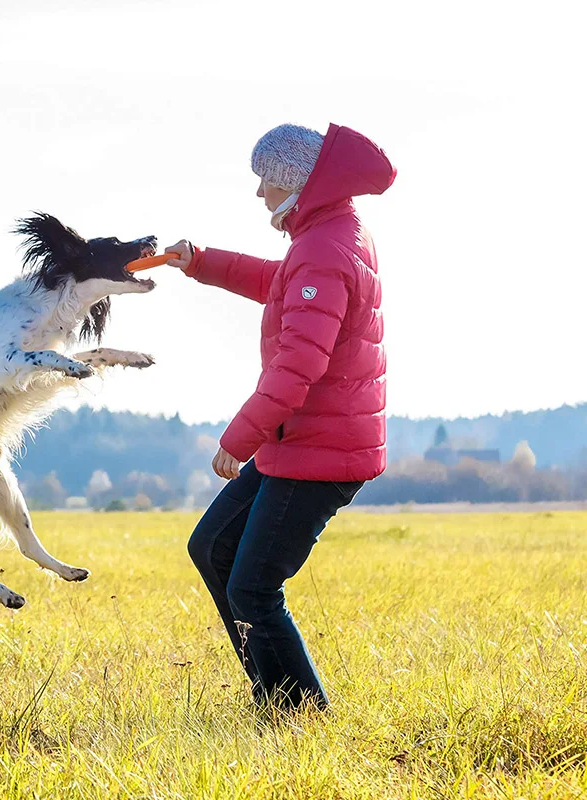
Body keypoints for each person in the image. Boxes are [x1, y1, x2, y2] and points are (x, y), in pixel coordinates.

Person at [166, 122, 396, 709]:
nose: (260, 192)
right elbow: (277, 282)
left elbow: (299, 363)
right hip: (301, 442)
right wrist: (201, 261)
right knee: (213, 547)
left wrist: (240, 437)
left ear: (295, 180)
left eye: (266, 179)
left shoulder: (325, 247)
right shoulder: (324, 236)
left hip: (319, 450)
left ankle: (301, 714)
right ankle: (273, 698)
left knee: (253, 586)